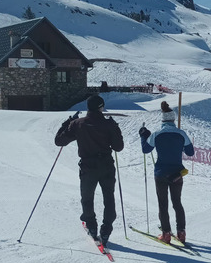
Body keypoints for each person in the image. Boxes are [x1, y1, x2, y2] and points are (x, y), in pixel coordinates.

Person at [54, 94, 124, 246]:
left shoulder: (78, 124)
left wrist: (67, 123)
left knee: (87, 197)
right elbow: (118, 147)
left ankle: (91, 225)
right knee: (109, 198)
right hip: (106, 166)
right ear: (100, 107)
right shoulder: (108, 124)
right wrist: (115, 128)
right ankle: (106, 230)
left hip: (88, 167)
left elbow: (59, 141)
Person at [139, 101, 194, 243]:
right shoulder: (181, 134)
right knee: (177, 203)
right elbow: (190, 152)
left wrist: (144, 135)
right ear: (173, 119)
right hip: (177, 174)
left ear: (163, 119)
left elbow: (146, 149)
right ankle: (181, 232)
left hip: (161, 173)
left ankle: (166, 234)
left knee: (163, 204)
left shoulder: (157, 134)